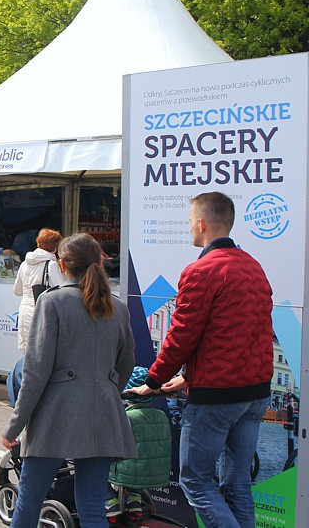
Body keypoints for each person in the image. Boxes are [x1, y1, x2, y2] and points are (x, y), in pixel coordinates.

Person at [126, 192, 273, 528]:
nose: (190, 226)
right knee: (236, 484)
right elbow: (244, 335)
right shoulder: (253, 267)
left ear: (203, 224)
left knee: (195, 480)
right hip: (254, 393)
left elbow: (181, 337)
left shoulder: (200, 271)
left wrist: (152, 381)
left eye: (191, 220)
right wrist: (189, 378)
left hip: (216, 397)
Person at [1, 233, 136, 527]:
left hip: (56, 415)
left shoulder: (53, 302)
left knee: (30, 500)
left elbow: (35, 373)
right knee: (92, 506)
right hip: (103, 412)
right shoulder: (118, 307)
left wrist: (14, 426)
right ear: (100, 260)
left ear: (62, 265)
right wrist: (105, 386)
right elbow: (127, 364)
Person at [105, 367, 171, 523]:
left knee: (99, 471)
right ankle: (134, 501)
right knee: (136, 471)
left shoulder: (127, 416)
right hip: (152, 471)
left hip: (128, 470)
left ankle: (110, 501)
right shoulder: (161, 415)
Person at [13, 228, 65, 354]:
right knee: (43, 352)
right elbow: (63, 292)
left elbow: (17, 291)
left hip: (25, 311)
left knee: (28, 353)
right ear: (55, 248)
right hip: (43, 313)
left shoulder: (24, 264)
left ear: (38, 243)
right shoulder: (50, 265)